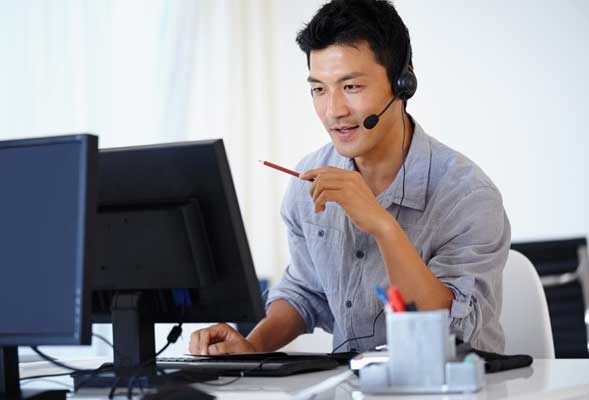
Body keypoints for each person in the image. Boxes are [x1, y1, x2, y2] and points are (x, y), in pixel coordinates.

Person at [189, 0, 510, 355]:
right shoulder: (308, 182)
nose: (333, 111)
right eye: (319, 89)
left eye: (352, 87)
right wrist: (252, 345)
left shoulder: (468, 197)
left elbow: (449, 330)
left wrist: (382, 225)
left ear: (403, 82)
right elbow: (305, 292)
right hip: (354, 387)